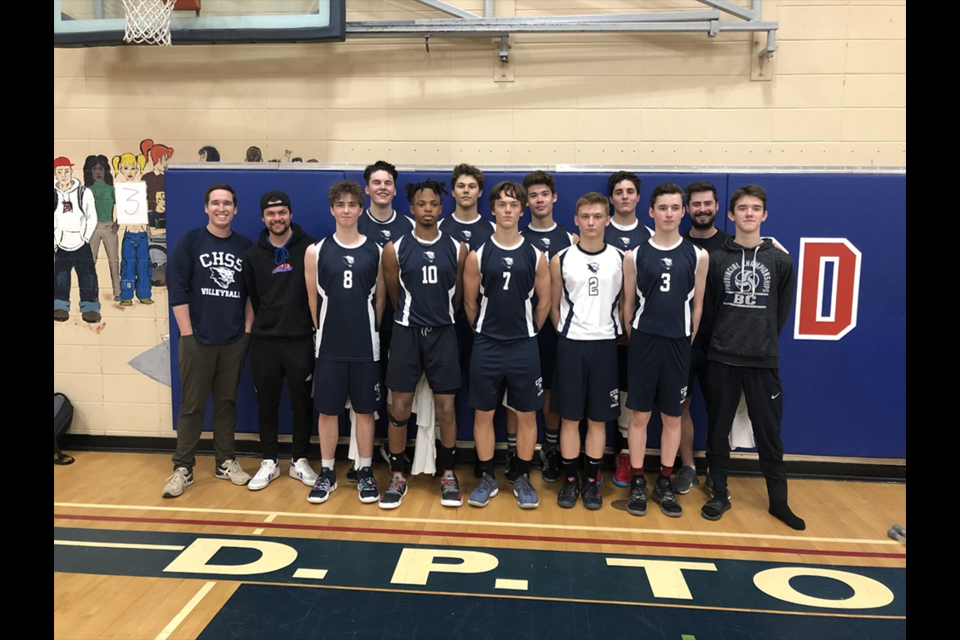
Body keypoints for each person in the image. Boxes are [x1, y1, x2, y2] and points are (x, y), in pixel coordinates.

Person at [701, 184, 805, 531]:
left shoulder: (780, 260)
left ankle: (779, 502)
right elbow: (711, 310)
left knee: (770, 434)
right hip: (722, 358)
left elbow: (780, 312)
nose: (748, 213)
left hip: (762, 361)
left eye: (755, 208)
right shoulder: (717, 260)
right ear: (731, 215)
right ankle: (719, 494)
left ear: (764, 215)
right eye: (742, 208)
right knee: (717, 431)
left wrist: (761, 342)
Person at [622, 183, 708, 518]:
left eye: (675, 208)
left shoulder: (698, 255)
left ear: (683, 212)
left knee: (673, 416)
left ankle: (666, 482)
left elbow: (697, 306)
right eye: (663, 208)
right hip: (645, 342)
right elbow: (627, 306)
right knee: (640, 415)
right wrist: (638, 336)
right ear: (651, 212)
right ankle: (639, 481)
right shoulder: (635, 254)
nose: (669, 214)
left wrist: (685, 337)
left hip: (678, 343)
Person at [380, 179, 468, 509]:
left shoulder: (458, 248)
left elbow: (458, 296)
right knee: (399, 408)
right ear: (412, 209)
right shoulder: (395, 248)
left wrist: (438, 316)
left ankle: (447, 472)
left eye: (433, 204)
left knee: (447, 408)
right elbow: (393, 294)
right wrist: (412, 316)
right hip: (406, 333)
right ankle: (399, 474)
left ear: (440, 209)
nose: (428, 208)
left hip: (443, 333)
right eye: (421, 204)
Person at [463, 182, 551, 509]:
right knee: (483, 414)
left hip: (524, 347)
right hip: (486, 345)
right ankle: (487, 477)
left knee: (527, 415)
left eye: (514, 205)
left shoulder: (536, 255)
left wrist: (528, 332)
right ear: (493, 210)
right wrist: (485, 331)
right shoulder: (479, 254)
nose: (508, 210)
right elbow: (469, 303)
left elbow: (545, 303)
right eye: (502, 205)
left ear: (522, 210)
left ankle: (523, 477)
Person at [163, 183, 254, 498]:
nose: (221, 208)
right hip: (197, 339)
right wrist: (187, 334)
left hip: (233, 340)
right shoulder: (190, 242)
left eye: (227, 203)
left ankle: (225, 461)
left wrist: (247, 331)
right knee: (192, 406)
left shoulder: (245, 247)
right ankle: (183, 468)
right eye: (215, 203)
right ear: (206, 208)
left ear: (235, 209)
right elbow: (177, 289)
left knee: (226, 403)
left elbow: (251, 295)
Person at [304, 181, 386, 506]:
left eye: (353, 204)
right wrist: (324, 331)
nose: (347, 210)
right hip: (329, 347)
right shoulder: (317, 250)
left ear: (361, 209)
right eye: (341, 204)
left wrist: (368, 332)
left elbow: (380, 302)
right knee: (327, 411)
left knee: (366, 411)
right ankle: (326, 472)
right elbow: (313, 302)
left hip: (366, 346)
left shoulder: (376, 251)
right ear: (332, 209)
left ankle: (365, 470)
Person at [242, 190, 319, 492]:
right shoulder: (252, 255)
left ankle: (299, 460)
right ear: (263, 218)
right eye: (271, 214)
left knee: (303, 404)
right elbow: (253, 298)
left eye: (282, 212)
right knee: (267, 404)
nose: (277, 218)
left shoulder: (310, 248)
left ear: (290, 214)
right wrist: (257, 331)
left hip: (301, 340)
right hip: (265, 342)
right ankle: (269, 461)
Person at [550, 193, 623, 510]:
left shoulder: (622, 258)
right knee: (569, 417)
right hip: (571, 346)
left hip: (605, 346)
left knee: (598, 420)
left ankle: (592, 482)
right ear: (576, 220)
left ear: (608, 219)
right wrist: (568, 331)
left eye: (597, 216)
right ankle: (569, 481)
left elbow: (626, 303)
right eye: (585, 216)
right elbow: (552, 306)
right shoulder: (561, 258)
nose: (591, 222)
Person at [505, 170, 578, 484]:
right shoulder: (517, 238)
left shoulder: (570, 239)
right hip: (521, 328)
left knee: (549, 389)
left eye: (543, 194)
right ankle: (513, 451)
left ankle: (549, 447)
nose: (538, 200)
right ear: (525, 202)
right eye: (532, 195)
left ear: (554, 197)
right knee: (515, 392)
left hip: (556, 330)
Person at [352, 160, 414, 481]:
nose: (382, 187)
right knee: (362, 389)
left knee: (395, 391)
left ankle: (393, 452)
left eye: (387, 182)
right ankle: (360, 456)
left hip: (401, 323)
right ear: (367, 189)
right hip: (361, 322)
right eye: (376, 182)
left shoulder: (408, 226)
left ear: (394, 189)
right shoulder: (354, 224)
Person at [673, 181, 732, 496]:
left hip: (722, 344)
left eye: (707, 203)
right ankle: (688, 467)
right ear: (687, 210)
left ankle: (716, 471)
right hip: (684, 343)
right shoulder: (678, 248)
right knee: (681, 406)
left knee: (719, 410)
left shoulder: (732, 246)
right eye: (695, 204)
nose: (702, 209)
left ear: (717, 207)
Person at [604, 171, 655, 488]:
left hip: (636, 334)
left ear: (638, 198)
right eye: (619, 191)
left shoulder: (650, 237)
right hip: (598, 332)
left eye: (630, 191)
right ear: (611, 198)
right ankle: (588, 456)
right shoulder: (595, 230)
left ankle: (623, 453)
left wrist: (630, 323)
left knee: (627, 393)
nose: (624, 196)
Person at [54, 157, 101, 324]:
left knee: (88, 276)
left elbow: (92, 217)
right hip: (61, 243)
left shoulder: (83, 192)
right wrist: (55, 240)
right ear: (55, 174)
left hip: (81, 243)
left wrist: (85, 237)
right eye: (59, 171)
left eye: (66, 170)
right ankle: (60, 307)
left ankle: (90, 308)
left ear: (71, 171)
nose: (64, 175)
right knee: (60, 276)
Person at [83, 155, 120, 302]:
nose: (98, 172)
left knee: (113, 260)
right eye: (94, 169)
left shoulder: (111, 189)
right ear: (90, 172)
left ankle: (117, 291)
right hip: (92, 228)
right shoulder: (87, 190)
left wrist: (118, 223)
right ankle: (90, 294)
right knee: (90, 261)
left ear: (105, 171)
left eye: (101, 169)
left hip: (108, 226)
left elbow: (124, 207)